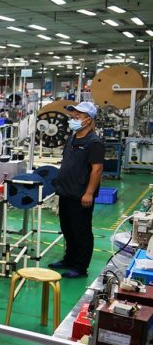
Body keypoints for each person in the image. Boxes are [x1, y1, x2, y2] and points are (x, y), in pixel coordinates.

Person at [51, 102, 104, 279]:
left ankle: (80, 267)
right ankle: (69, 259)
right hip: (66, 191)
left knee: (81, 231)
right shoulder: (73, 138)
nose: (74, 118)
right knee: (67, 229)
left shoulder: (94, 142)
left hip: (81, 194)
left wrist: (89, 193)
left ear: (89, 120)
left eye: (78, 116)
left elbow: (97, 170)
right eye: (73, 115)